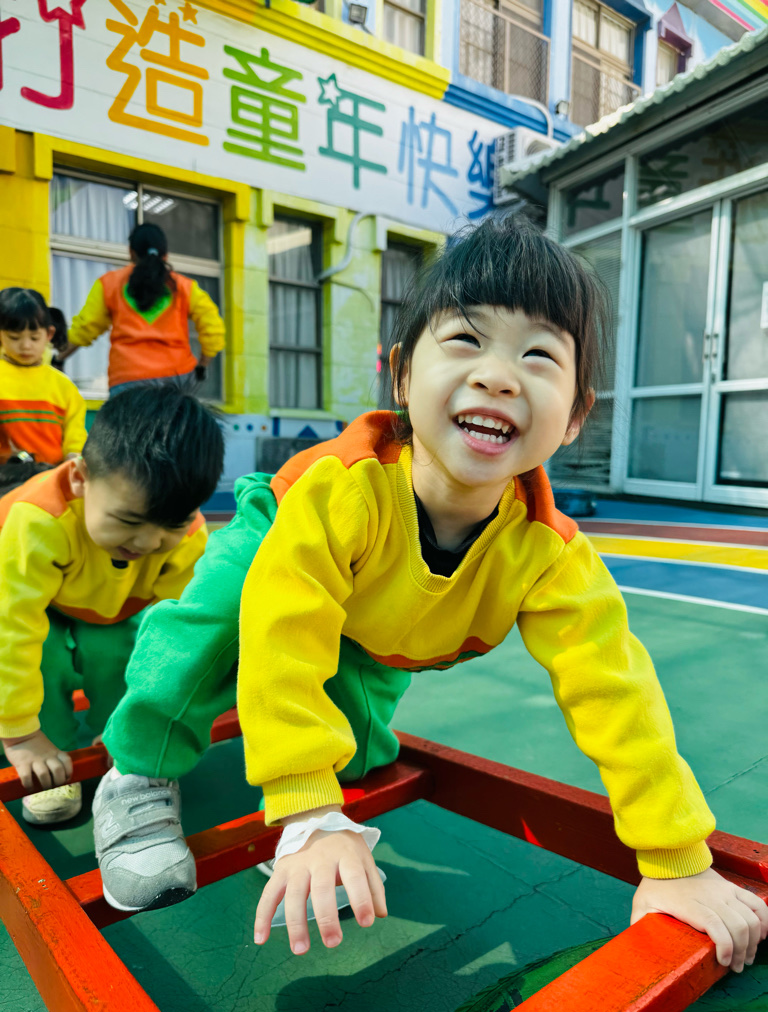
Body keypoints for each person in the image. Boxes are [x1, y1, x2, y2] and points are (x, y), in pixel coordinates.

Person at [236, 216, 765, 970]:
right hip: (275, 534)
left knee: (356, 748)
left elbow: (615, 692)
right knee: (218, 620)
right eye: (465, 339)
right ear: (402, 376)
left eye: (539, 355)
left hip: (382, 629)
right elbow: (283, 633)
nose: (498, 375)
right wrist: (308, 813)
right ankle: (140, 764)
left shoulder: (548, 551)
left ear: (576, 416)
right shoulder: (341, 493)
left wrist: (676, 859)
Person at [89, 473, 410, 914]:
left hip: (381, 563)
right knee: (207, 630)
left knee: (360, 725)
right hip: (283, 515)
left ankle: (302, 814)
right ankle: (136, 770)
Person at [0, 386, 223, 826]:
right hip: (37, 600)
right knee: (44, 657)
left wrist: (139, 728)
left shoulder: (188, 536)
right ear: (80, 478)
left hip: (111, 607)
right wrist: (20, 734)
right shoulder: (38, 519)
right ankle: (52, 748)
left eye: (172, 525)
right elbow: (11, 627)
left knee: (116, 653)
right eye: (128, 520)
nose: (148, 541)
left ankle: (118, 735)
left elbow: (178, 634)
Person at [63, 223, 224, 395]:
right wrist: (202, 366)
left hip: (127, 379)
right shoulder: (185, 287)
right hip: (177, 379)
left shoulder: (109, 284)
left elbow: (86, 327)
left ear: (131, 253)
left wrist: (59, 357)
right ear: (165, 255)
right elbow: (213, 327)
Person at [0, 288, 86, 465]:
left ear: (49, 334)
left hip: (50, 477)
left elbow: (75, 440)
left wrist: (74, 459)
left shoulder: (64, 387)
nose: (25, 346)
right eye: (14, 338)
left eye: (34, 338)